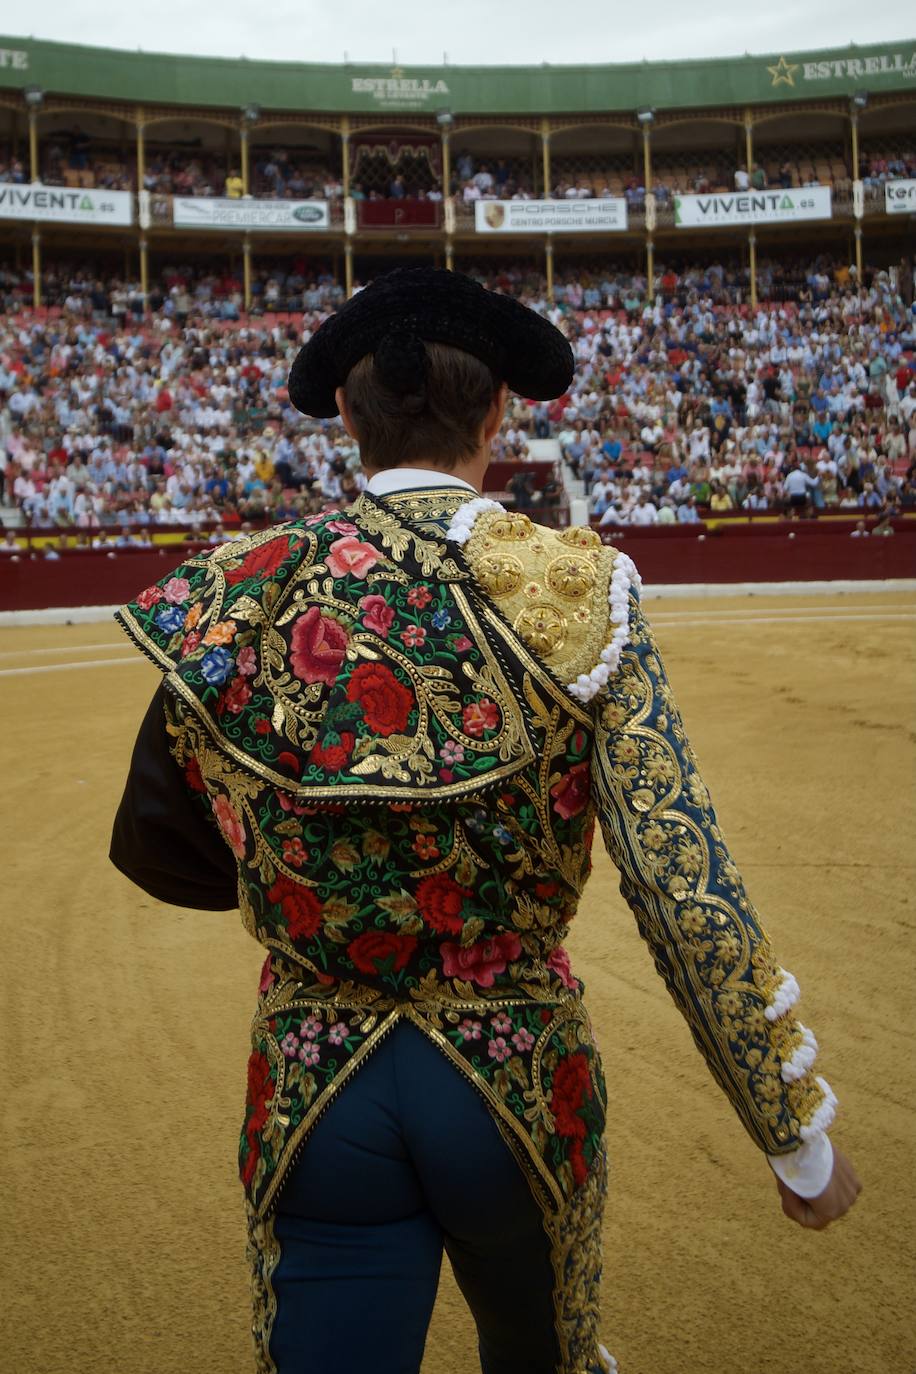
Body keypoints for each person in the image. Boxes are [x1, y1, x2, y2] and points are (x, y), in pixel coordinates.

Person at [110, 267, 860, 1374]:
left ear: (350, 421)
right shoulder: (575, 587)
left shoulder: (240, 584)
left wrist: (310, 867)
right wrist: (789, 1127)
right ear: (499, 413)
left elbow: (161, 837)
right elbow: (675, 872)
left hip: (316, 1071)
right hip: (512, 1061)